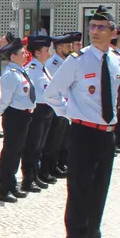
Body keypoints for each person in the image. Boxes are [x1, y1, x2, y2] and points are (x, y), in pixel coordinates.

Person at [44, 8, 120, 238]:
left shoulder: (116, 60)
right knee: (79, 193)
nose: (96, 30)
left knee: (99, 190)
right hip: (83, 133)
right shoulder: (77, 60)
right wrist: (72, 114)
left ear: (113, 32)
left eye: (102, 27)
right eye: (93, 26)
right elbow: (52, 93)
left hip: (106, 134)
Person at [0, 39, 35, 202]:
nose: (25, 54)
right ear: (13, 56)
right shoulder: (10, 74)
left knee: (17, 151)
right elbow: (6, 99)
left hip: (23, 115)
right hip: (14, 115)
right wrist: (0, 112)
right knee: (10, 152)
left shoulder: (21, 71)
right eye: (22, 53)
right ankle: (3, 189)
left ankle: (11, 184)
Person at [40, 32, 78, 181]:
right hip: (57, 106)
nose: (70, 48)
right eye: (67, 46)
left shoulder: (67, 61)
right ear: (59, 48)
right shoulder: (52, 64)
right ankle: (46, 169)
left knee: (62, 140)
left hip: (67, 105)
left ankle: (56, 164)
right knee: (52, 140)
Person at [21, 35, 56, 190]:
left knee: (40, 146)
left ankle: (35, 175)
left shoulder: (43, 67)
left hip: (46, 110)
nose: (49, 53)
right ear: (36, 52)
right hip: (37, 111)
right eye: (46, 50)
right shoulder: (32, 69)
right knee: (32, 146)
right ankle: (27, 179)